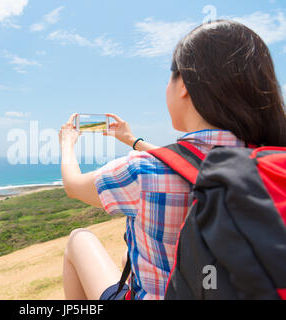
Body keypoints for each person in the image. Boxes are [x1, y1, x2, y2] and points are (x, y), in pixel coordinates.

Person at [59, 20, 286, 300]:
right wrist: (133, 139)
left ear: (185, 86)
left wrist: (67, 144)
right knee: (125, 260)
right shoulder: (264, 159)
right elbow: (188, 164)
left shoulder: (141, 172)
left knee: (78, 239)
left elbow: (72, 185)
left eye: (170, 77)